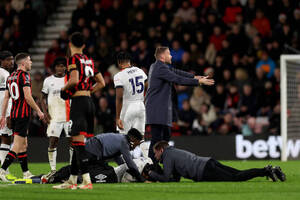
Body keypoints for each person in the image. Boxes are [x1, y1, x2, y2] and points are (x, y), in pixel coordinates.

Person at [53, 32, 105, 190]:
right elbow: (101, 83)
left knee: (78, 143)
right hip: (89, 102)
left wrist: (63, 88)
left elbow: (74, 79)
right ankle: (72, 180)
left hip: (79, 103)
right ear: (84, 45)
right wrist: (89, 91)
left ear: (70, 44)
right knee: (78, 141)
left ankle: (87, 181)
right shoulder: (89, 60)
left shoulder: (73, 59)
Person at [145, 46, 214, 162]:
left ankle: (159, 165)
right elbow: (177, 79)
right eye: (169, 54)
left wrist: (194, 76)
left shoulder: (160, 66)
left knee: (165, 138)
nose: (171, 56)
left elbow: (176, 72)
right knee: (156, 141)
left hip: (161, 109)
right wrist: (197, 82)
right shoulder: (159, 68)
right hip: (156, 109)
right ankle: (150, 168)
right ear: (162, 56)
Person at [146, 141, 286, 182]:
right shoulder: (173, 152)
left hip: (204, 170)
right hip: (208, 162)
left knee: (236, 178)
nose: (155, 155)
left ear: (161, 150)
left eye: (155, 152)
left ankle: (267, 171)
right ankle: (267, 170)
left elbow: (165, 178)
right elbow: (175, 179)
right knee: (238, 173)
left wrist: (152, 173)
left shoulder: (168, 156)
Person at [0, 53, 45, 182]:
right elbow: (28, 97)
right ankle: (2, 170)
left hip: (13, 114)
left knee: (24, 144)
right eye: (30, 61)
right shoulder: (24, 76)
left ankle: (26, 172)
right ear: (23, 63)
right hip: (22, 115)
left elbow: (6, 98)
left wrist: (3, 115)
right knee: (17, 145)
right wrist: (39, 111)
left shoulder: (11, 76)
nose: (31, 63)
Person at [40, 57, 73, 178]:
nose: (60, 68)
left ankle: (71, 168)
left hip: (69, 116)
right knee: (53, 141)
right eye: (58, 66)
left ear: (65, 67)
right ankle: (53, 169)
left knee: (72, 142)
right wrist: (45, 113)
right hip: (54, 116)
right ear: (55, 67)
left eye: (62, 66)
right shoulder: (48, 80)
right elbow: (42, 97)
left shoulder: (70, 79)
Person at [113, 51, 148, 158]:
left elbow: (119, 97)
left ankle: (127, 168)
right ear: (129, 61)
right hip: (140, 105)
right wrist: (142, 100)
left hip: (127, 107)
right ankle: (149, 162)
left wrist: (118, 117)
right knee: (141, 138)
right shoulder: (140, 71)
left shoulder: (119, 75)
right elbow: (148, 87)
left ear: (119, 63)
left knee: (124, 139)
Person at [0, 51, 16, 180]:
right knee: (6, 138)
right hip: (3, 110)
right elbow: (6, 97)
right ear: (2, 61)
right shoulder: (5, 75)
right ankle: (3, 171)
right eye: (8, 60)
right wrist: (8, 114)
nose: (11, 62)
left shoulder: (6, 73)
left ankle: (4, 170)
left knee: (5, 138)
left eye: (12, 59)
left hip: (3, 109)